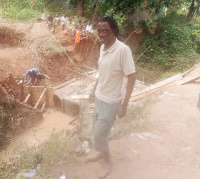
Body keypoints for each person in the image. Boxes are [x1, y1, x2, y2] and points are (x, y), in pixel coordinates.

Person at [88, 16, 136, 178]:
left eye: (105, 30)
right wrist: (93, 90)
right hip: (99, 97)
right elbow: (102, 73)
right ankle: (102, 153)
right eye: (99, 30)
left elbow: (132, 76)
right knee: (96, 129)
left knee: (99, 133)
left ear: (114, 30)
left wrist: (125, 104)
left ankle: (106, 160)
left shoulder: (123, 50)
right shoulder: (103, 47)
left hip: (112, 101)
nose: (101, 34)